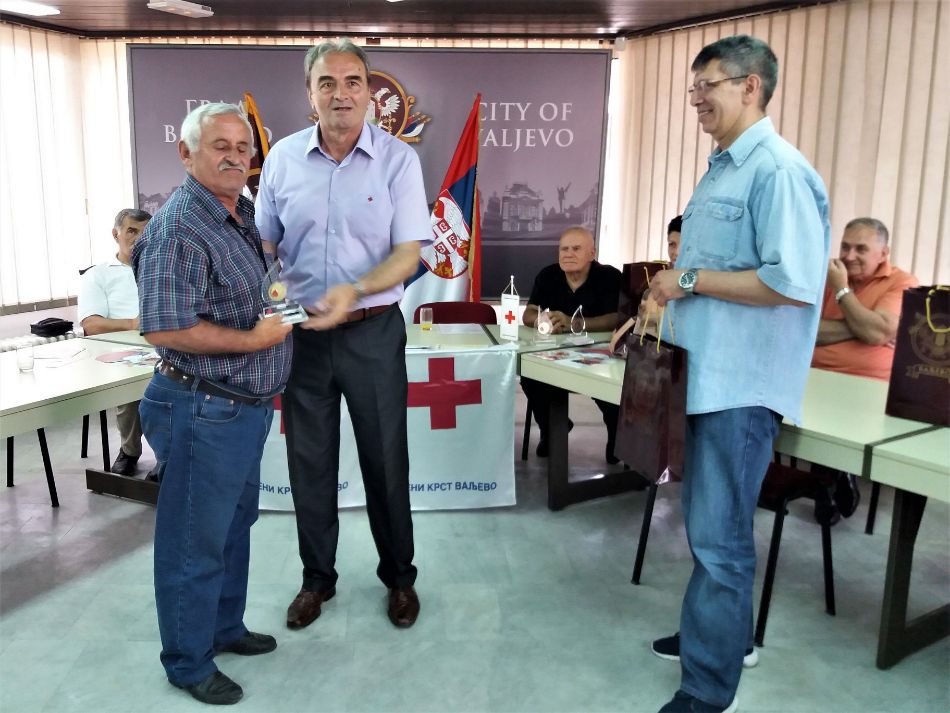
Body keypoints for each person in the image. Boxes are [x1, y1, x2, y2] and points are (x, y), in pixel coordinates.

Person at [648, 36, 829, 713]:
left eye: (709, 85)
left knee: (721, 541)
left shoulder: (776, 171)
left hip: (740, 388)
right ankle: (712, 635)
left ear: (751, 86)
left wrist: (688, 279)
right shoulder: (722, 169)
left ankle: (707, 687)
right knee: (708, 532)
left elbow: (792, 283)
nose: (696, 99)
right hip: (703, 379)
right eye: (693, 87)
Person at [255, 39, 429, 633]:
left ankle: (400, 578)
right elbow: (265, 246)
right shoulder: (282, 159)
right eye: (326, 83)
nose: (341, 94)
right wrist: (272, 293)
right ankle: (316, 580)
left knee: (386, 460)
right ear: (310, 94)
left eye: (353, 81)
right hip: (302, 337)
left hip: (372, 332)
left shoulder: (398, 161)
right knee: (309, 463)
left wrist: (353, 292)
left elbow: (408, 255)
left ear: (369, 92)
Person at [132, 102, 292, 706]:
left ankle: (224, 628)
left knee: (232, 527)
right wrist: (255, 341)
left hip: (242, 406)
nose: (234, 157)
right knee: (194, 542)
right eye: (220, 145)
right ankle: (188, 661)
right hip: (201, 406)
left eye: (242, 147)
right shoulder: (178, 227)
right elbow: (165, 328)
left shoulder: (239, 212)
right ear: (186, 152)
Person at [810, 217, 918, 524]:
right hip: (815, 378)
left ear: (883, 253)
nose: (849, 255)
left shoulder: (901, 282)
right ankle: (833, 475)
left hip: (869, 388)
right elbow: (805, 330)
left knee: (837, 413)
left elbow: (877, 332)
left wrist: (842, 291)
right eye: (845, 247)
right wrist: (863, 327)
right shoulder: (827, 274)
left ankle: (831, 479)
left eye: (860, 249)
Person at [522, 226, 622, 461]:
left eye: (576, 249)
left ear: (592, 253)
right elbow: (528, 313)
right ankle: (551, 431)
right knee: (530, 377)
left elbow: (617, 317)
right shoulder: (548, 275)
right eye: (563, 249)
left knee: (614, 386)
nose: (568, 254)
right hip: (555, 354)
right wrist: (542, 322)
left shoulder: (610, 276)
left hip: (598, 355)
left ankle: (617, 439)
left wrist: (576, 323)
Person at [78, 208, 151, 476]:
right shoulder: (98, 275)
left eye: (145, 232)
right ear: (115, 234)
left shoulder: (163, 268)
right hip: (120, 352)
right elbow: (91, 324)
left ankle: (169, 455)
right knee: (132, 386)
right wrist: (133, 324)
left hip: (165, 345)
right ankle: (130, 451)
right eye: (131, 230)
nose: (138, 237)